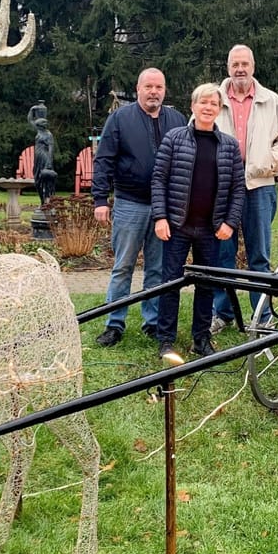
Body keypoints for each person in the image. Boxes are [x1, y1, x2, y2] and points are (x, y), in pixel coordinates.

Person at [92, 68, 188, 346]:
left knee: (157, 269)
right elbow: (104, 160)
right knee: (123, 266)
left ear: (164, 90)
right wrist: (100, 199)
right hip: (130, 204)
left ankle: (153, 322)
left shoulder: (177, 120)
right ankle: (114, 324)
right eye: (149, 86)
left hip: (165, 211)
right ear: (138, 89)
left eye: (159, 87)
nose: (154, 92)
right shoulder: (120, 119)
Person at [210, 44, 278, 334]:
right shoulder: (212, 99)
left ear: (253, 67)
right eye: (235, 64)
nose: (240, 69)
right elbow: (195, 135)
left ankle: (261, 317)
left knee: (258, 256)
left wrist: (270, 163)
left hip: (258, 186)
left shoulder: (271, 101)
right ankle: (222, 313)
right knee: (222, 255)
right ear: (228, 67)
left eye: (245, 64)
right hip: (220, 189)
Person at [151, 83, 245, 364]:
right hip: (177, 226)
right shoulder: (174, 139)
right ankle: (165, 339)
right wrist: (160, 216)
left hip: (212, 229)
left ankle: (201, 338)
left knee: (206, 284)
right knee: (169, 283)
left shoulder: (229, 145)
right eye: (203, 102)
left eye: (213, 104)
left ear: (219, 109)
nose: (207, 108)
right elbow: (158, 179)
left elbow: (238, 189)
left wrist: (230, 221)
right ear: (193, 106)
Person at [28, 104, 57, 205]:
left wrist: (49, 163)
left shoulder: (48, 135)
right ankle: (42, 201)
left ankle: (48, 200)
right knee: (37, 180)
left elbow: (51, 148)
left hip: (45, 158)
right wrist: (32, 109)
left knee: (46, 180)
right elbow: (30, 120)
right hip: (37, 158)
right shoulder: (39, 131)